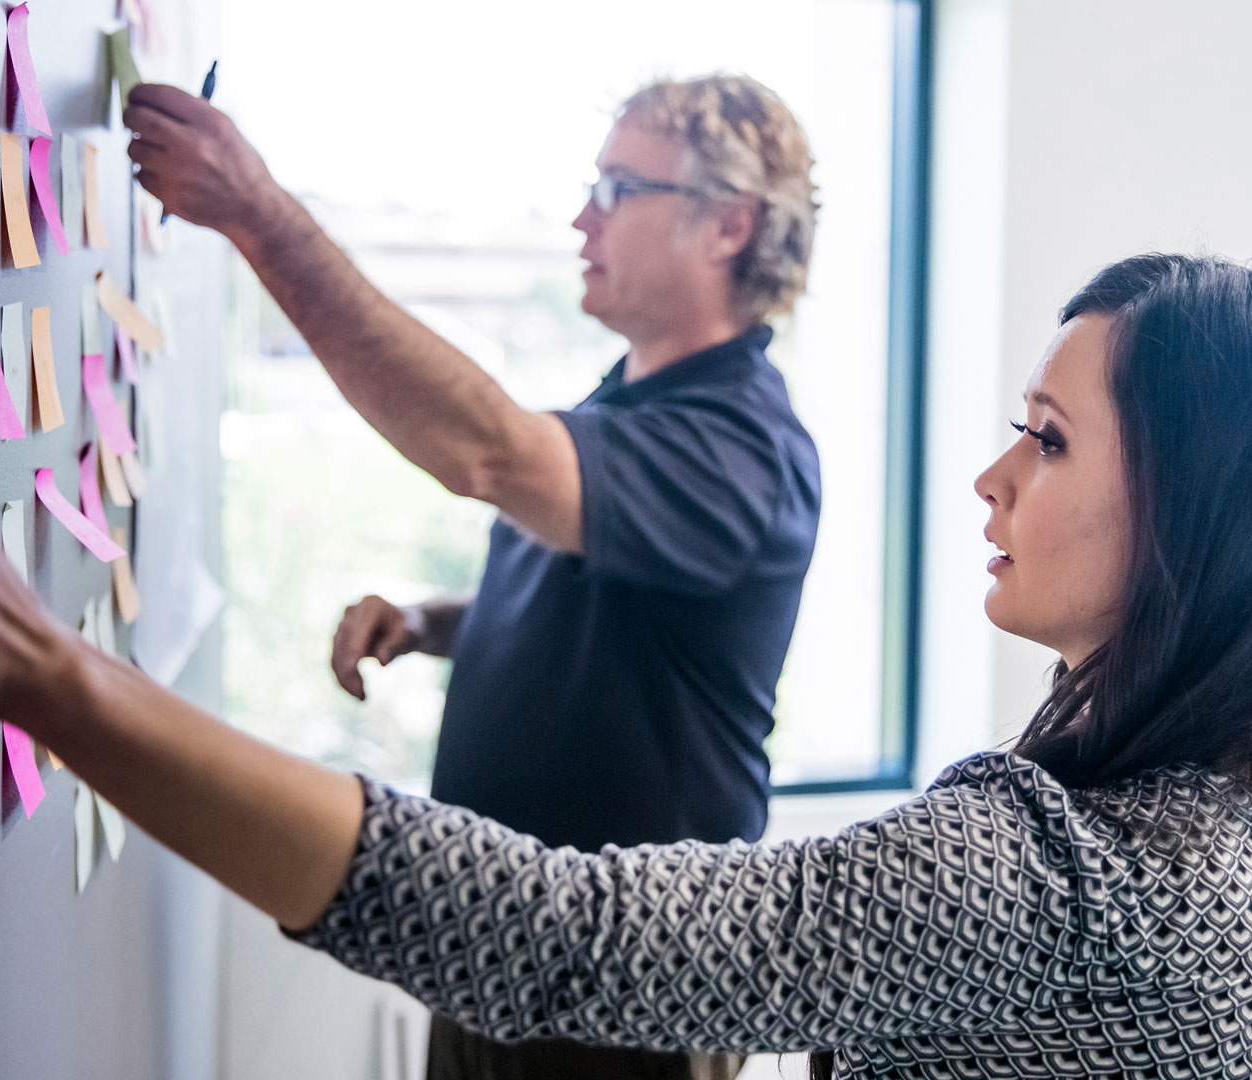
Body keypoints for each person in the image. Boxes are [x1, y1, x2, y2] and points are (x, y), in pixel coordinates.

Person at [0, 249, 1252, 1079]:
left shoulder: (1069, 878)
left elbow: (564, 936)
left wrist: (56, 681)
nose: (991, 480)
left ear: (1204, 510)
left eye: (1045, 441)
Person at [122, 73, 819, 1077]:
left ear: (728, 227)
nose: (584, 218)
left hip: (630, 995)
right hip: (509, 953)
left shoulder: (741, 446)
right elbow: (611, 601)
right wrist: (431, 620)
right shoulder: (632, 406)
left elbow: (486, 454)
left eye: (622, 189)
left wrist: (261, 217)